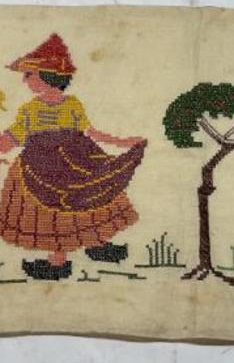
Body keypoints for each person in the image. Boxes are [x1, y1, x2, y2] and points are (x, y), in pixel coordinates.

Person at [0, 33, 147, 280]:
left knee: (92, 193)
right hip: (40, 168)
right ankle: (58, 263)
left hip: (77, 160)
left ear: (47, 76)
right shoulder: (30, 109)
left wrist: (123, 142)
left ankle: (97, 243)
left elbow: (91, 132)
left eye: (29, 75)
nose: (25, 80)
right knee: (54, 211)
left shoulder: (71, 105)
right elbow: (13, 137)